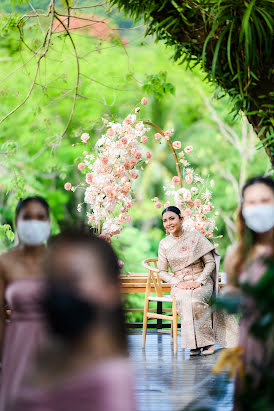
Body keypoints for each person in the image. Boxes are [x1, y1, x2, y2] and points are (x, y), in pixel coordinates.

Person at [10, 227, 135, 411]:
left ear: (110, 289)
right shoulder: (46, 360)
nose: (60, 290)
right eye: (53, 281)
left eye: (72, 279)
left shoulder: (107, 378)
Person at [158, 206, 238, 355]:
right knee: (184, 300)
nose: (168, 223)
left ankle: (207, 343)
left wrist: (199, 281)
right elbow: (162, 272)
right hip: (179, 283)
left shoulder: (195, 236)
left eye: (172, 218)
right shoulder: (164, 244)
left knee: (194, 300)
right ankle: (193, 345)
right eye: (165, 220)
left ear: (181, 219)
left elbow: (210, 263)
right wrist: (178, 283)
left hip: (201, 280)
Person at [224, 176, 274, 409]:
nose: (259, 207)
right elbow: (232, 290)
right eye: (251, 203)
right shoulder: (237, 254)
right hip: (251, 341)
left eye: (265, 200)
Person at [0, 196, 51, 410]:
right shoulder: (5, 261)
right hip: (17, 345)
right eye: (27, 216)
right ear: (17, 220)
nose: (34, 222)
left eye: (40, 217)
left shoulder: (58, 260)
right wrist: (3, 356)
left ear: (48, 222)